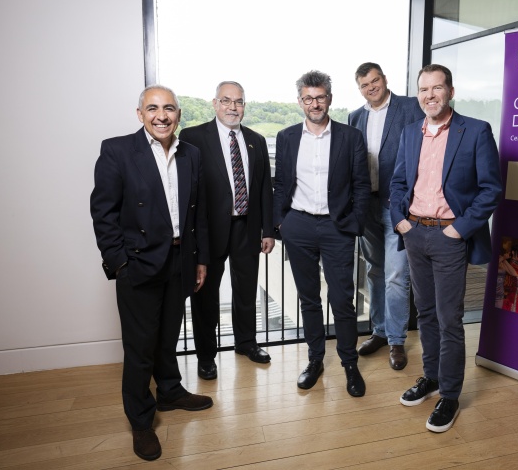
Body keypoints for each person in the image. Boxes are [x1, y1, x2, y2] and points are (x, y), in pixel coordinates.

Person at [90, 85, 213, 461]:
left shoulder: (190, 153)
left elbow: (198, 214)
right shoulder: (117, 150)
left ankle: (171, 391)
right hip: (139, 263)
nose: (162, 116)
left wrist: (200, 260)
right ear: (140, 113)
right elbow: (103, 214)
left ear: (179, 114)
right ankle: (141, 421)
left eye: (169, 109)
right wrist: (120, 263)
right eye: (153, 108)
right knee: (140, 348)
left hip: (180, 261)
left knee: (167, 337)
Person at [390, 64, 502, 433]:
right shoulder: (410, 132)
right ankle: (432, 377)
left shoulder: (476, 131)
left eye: (437, 88)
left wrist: (459, 229)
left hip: (448, 236)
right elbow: (398, 183)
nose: (430, 96)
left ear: (450, 92)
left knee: (449, 319)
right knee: (423, 314)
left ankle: (450, 395)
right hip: (414, 233)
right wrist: (401, 221)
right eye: (424, 89)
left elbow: (491, 189)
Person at [273, 70, 370, 397]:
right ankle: (315, 360)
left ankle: (349, 363)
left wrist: (354, 223)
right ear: (300, 100)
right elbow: (281, 185)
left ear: (330, 98)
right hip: (298, 225)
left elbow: (361, 185)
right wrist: (282, 222)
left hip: (337, 226)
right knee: (308, 297)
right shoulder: (286, 137)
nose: (315, 103)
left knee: (342, 298)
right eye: (308, 98)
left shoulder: (350, 137)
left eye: (321, 97)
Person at [179, 81, 275, 380]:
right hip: (208, 231)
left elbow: (263, 189)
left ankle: (246, 343)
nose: (233, 107)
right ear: (214, 103)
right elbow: (188, 191)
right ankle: (206, 356)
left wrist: (268, 229)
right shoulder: (192, 137)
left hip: (246, 227)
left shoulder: (256, 140)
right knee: (205, 294)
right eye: (226, 101)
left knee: (246, 290)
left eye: (239, 101)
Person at [347, 62, 425, 370]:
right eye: (365, 85)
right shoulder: (355, 117)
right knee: (375, 271)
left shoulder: (409, 107)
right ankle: (379, 331)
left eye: (375, 81)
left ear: (384, 79)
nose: (371, 88)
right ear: (360, 89)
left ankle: (396, 340)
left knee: (395, 274)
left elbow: (423, 151)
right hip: (366, 206)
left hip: (398, 206)